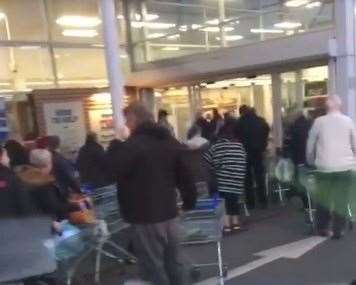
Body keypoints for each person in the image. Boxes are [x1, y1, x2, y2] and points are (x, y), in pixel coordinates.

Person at [111, 103, 196, 285]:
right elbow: (185, 174)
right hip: (169, 211)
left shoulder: (132, 146)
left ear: (133, 119)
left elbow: (114, 169)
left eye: (127, 120)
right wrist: (189, 201)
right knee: (174, 263)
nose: (126, 125)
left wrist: (117, 142)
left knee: (153, 267)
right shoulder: (170, 141)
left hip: (143, 214)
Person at [0, 145, 57, 284]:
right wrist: (49, 227)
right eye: (6, 155)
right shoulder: (11, 180)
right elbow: (27, 211)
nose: (9, 159)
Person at [306, 95, 356, 239]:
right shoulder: (348, 121)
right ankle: (338, 229)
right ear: (339, 106)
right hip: (344, 167)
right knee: (341, 199)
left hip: (324, 167)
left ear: (326, 107)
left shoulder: (318, 122)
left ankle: (323, 228)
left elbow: (310, 144)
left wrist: (310, 160)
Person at [204, 121, 247, 233]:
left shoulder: (216, 146)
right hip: (237, 181)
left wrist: (216, 168)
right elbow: (243, 160)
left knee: (221, 200)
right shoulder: (239, 146)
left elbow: (207, 161)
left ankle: (226, 225)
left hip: (222, 181)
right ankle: (236, 223)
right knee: (233, 200)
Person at [235, 105, 270, 209]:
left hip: (245, 152)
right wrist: (263, 145)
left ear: (241, 112)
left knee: (247, 179)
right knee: (260, 177)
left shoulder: (239, 123)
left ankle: (250, 202)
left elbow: (236, 136)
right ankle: (263, 201)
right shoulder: (260, 120)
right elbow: (266, 131)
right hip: (258, 151)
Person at [288, 112, 312, 209]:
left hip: (299, 159)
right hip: (310, 159)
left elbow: (292, 144)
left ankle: (306, 205)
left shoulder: (294, 127)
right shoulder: (311, 125)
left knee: (301, 182)